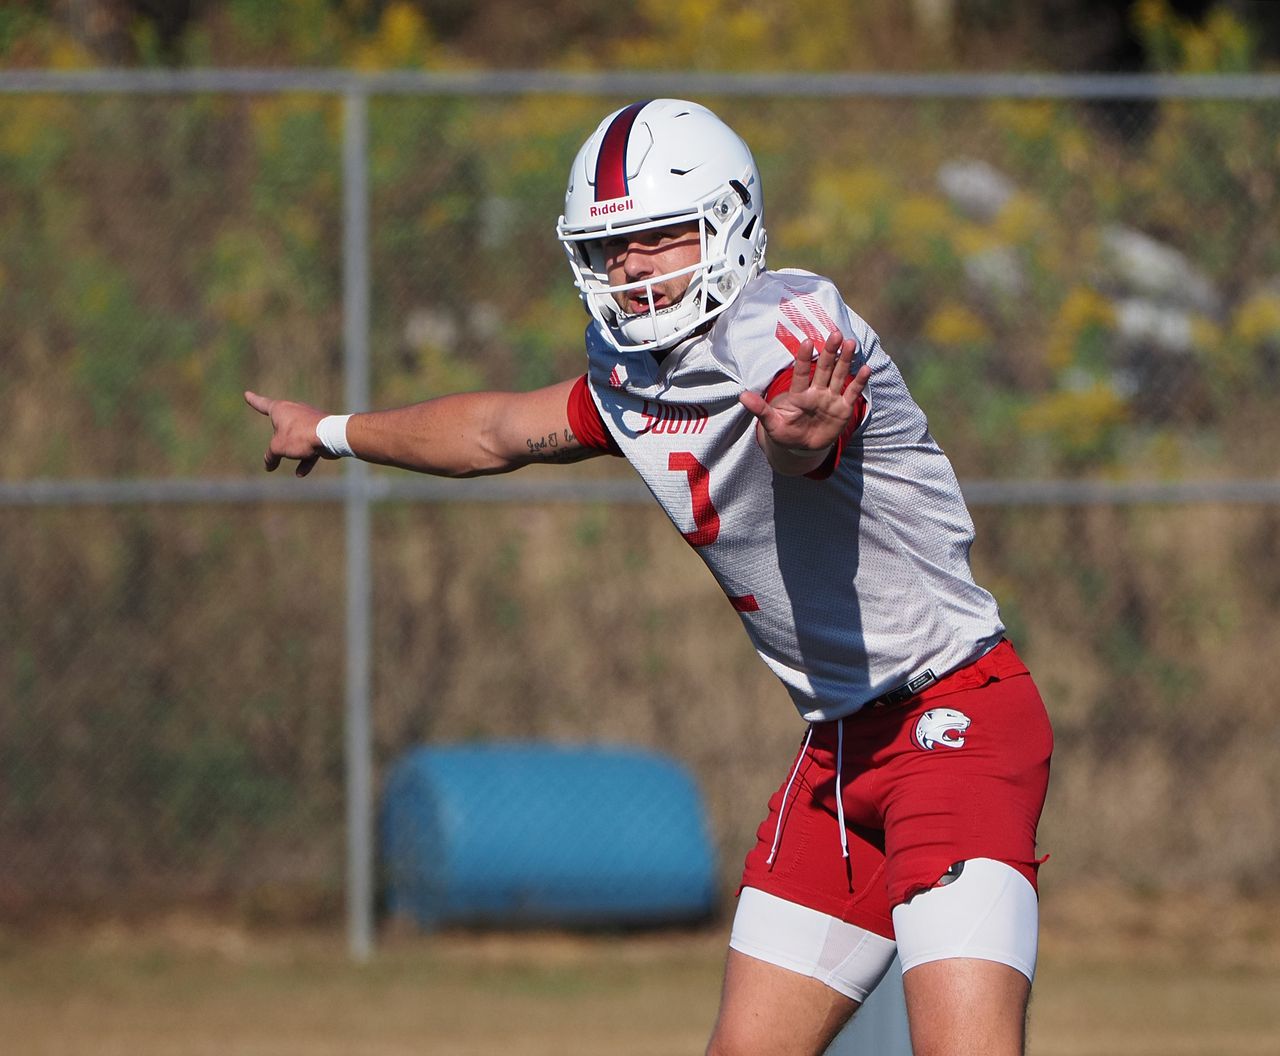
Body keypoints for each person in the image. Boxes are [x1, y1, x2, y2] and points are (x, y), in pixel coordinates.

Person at [246, 98, 1053, 1056]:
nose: (630, 268)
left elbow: (797, 418)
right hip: (839, 748)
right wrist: (333, 431)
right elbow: (495, 431)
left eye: (659, 237)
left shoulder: (780, 322)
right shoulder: (634, 379)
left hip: (954, 719)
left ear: (729, 222)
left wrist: (796, 439)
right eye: (612, 245)